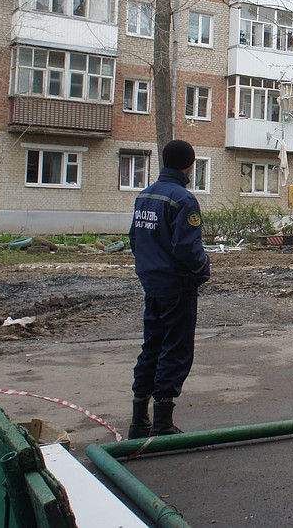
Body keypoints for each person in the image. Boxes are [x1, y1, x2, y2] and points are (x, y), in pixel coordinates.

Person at [127, 139, 210, 438]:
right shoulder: (183, 200)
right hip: (177, 286)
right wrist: (203, 270)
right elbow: (188, 249)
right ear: (188, 165)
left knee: (151, 346)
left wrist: (150, 268)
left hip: (152, 284)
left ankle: (139, 420)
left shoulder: (145, 196)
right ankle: (162, 420)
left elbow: (135, 240)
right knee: (175, 349)